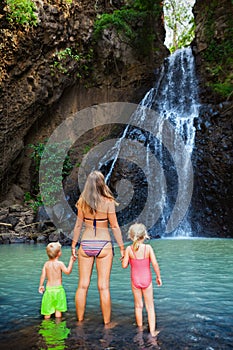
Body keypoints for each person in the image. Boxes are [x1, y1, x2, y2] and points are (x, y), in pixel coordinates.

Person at [71, 170, 125, 326]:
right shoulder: (108, 202)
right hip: (104, 245)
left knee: (82, 285)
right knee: (103, 286)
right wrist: (121, 247)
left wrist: (74, 245)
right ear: (102, 184)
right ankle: (107, 323)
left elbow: (78, 225)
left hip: (86, 244)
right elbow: (114, 226)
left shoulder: (82, 201)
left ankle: (80, 321)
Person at [122, 223, 162, 337]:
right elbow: (155, 264)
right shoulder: (148, 248)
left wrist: (125, 257)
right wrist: (158, 277)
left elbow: (124, 266)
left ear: (131, 236)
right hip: (147, 280)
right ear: (144, 236)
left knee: (138, 306)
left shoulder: (129, 249)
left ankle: (139, 332)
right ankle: (152, 333)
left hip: (135, 280)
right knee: (150, 307)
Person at [39, 241, 76, 319]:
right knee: (58, 311)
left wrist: (41, 285)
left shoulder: (46, 264)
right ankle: (59, 327)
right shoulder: (60, 264)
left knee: (47, 312)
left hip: (49, 290)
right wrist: (71, 261)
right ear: (59, 253)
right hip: (58, 290)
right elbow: (68, 272)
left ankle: (46, 328)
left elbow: (43, 275)